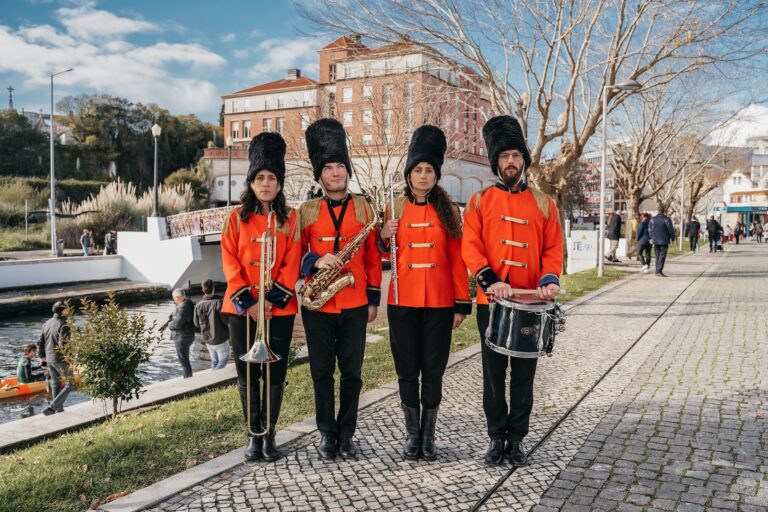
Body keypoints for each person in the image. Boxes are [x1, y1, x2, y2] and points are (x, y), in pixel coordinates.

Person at [462, 115, 563, 466]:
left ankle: (516, 440)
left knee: (524, 376)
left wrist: (549, 280)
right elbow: (471, 247)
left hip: (531, 304)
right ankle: (495, 438)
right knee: (492, 376)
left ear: (524, 161)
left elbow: (553, 249)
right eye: (504, 156)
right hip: (491, 301)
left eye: (516, 156)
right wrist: (492, 281)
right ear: (496, 161)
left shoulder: (544, 203)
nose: (510, 162)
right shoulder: (478, 201)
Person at [378, 125, 471, 461]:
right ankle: (411, 435)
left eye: (429, 170)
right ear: (409, 174)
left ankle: (429, 438)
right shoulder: (394, 208)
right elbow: (383, 255)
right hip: (402, 301)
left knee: (433, 371)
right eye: (417, 170)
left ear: (436, 174)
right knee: (406, 371)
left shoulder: (450, 211)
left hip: (438, 302)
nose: (423, 175)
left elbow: (459, 260)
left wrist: (462, 303)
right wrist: (383, 236)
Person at [299, 118, 382, 460]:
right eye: (328, 168)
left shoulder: (364, 207)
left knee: (352, 374)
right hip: (317, 306)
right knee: (320, 373)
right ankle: (326, 434)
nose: (335, 173)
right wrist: (315, 262)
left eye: (340, 167)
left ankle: (346, 433)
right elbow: (294, 255)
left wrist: (373, 298)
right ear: (319, 175)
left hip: (353, 303)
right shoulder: (305, 211)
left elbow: (374, 256)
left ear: (348, 171)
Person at [221, 131, 300, 462]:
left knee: (276, 373)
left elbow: (292, 261)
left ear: (280, 183)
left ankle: (270, 434)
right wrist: (249, 302)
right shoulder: (235, 218)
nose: (266, 184)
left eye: (272, 178)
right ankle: (252, 435)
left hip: (278, 310)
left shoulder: (290, 218)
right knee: (248, 374)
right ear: (251, 182)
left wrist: (271, 301)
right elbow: (229, 260)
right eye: (260, 178)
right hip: (240, 309)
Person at [37, 301, 72, 415]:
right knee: (70, 383)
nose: (68, 311)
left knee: (56, 383)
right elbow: (64, 345)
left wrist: (41, 356)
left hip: (50, 359)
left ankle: (59, 409)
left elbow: (40, 342)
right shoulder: (64, 324)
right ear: (62, 310)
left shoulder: (46, 323)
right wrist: (70, 359)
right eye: (66, 309)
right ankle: (52, 407)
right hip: (61, 359)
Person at [193, 279, 230, 371]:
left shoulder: (198, 305)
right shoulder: (218, 302)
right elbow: (226, 320)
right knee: (223, 361)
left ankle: (213, 376)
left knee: (214, 361)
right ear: (213, 289)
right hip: (220, 338)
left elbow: (196, 324)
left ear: (203, 289)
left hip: (207, 339)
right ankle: (215, 377)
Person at [162, 289, 196, 379]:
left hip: (182, 337)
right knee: (185, 360)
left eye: (174, 299)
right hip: (188, 335)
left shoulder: (183, 308)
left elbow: (177, 324)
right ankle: (189, 377)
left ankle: (188, 379)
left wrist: (169, 324)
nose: (174, 301)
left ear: (177, 297)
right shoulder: (189, 304)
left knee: (184, 362)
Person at [649, 206, 675, 277]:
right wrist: (673, 238)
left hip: (655, 240)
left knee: (657, 255)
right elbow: (670, 229)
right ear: (663, 211)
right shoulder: (666, 219)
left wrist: (652, 238)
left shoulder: (652, 219)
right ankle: (659, 271)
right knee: (662, 256)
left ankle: (657, 270)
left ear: (658, 211)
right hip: (664, 240)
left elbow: (650, 230)